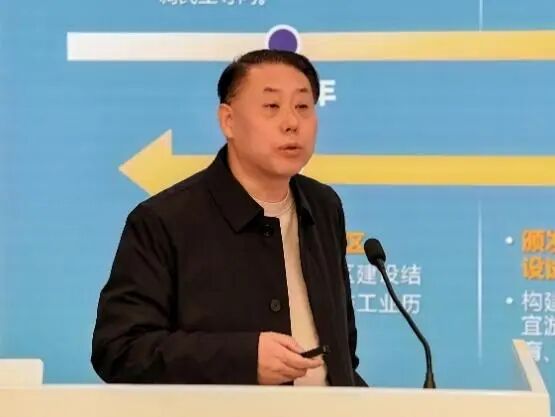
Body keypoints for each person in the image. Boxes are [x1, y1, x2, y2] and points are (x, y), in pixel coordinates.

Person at [92, 49, 366, 387]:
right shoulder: (164, 221)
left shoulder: (323, 206)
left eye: (302, 106)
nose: (291, 123)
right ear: (228, 121)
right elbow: (119, 350)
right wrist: (243, 359)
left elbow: (342, 350)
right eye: (271, 106)